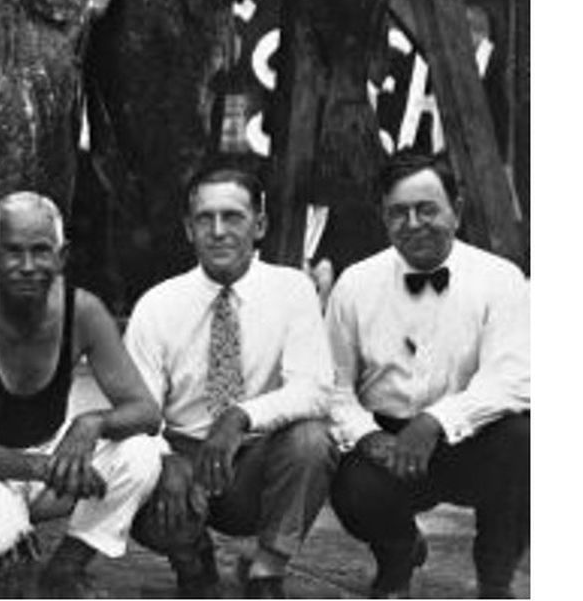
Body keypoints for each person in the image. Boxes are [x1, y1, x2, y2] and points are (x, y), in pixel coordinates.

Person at [0, 192, 164, 596]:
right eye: (13, 252)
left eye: (41, 251)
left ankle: (66, 568)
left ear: (62, 256)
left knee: (141, 455)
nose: (27, 266)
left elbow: (146, 411)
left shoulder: (83, 311)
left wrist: (91, 423)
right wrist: (40, 468)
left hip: (53, 470)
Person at [126, 164, 337, 599]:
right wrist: (164, 461)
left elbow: (314, 389)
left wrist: (240, 416)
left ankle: (266, 571)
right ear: (188, 228)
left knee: (313, 441)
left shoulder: (293, 290)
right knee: (134, 467)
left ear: (259, 225)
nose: (218, 231)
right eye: (205, 218)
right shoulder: (157, 305)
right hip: (184, 455)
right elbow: (136, 411)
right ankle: (190, 557)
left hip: (255, 456)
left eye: (233, 217)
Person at [326, 151, 529, 599]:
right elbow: (334, 387)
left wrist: (436, 422)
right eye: (399, 212)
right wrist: (366, 437)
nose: (414, 223)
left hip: (474, 437)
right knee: (351, 488)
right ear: (384, 218)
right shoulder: (355, 285)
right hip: (389, 442)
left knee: (528, 443)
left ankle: (496, 580)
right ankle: (398, 557)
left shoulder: (502, 280)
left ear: (457, 210)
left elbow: (512, 379)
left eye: (427, 209)